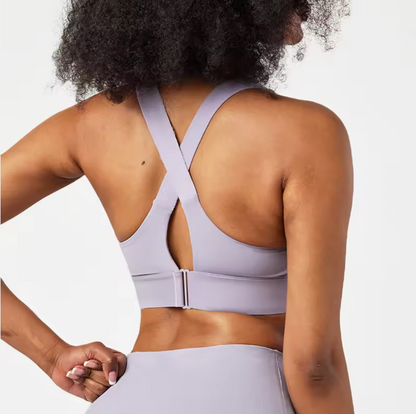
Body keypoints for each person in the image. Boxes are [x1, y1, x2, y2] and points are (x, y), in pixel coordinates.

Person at [1, 0, 354, 413]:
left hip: (128, 399)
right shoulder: (306, 132)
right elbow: (314, 366)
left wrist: (52, 355)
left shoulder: (89, 125)